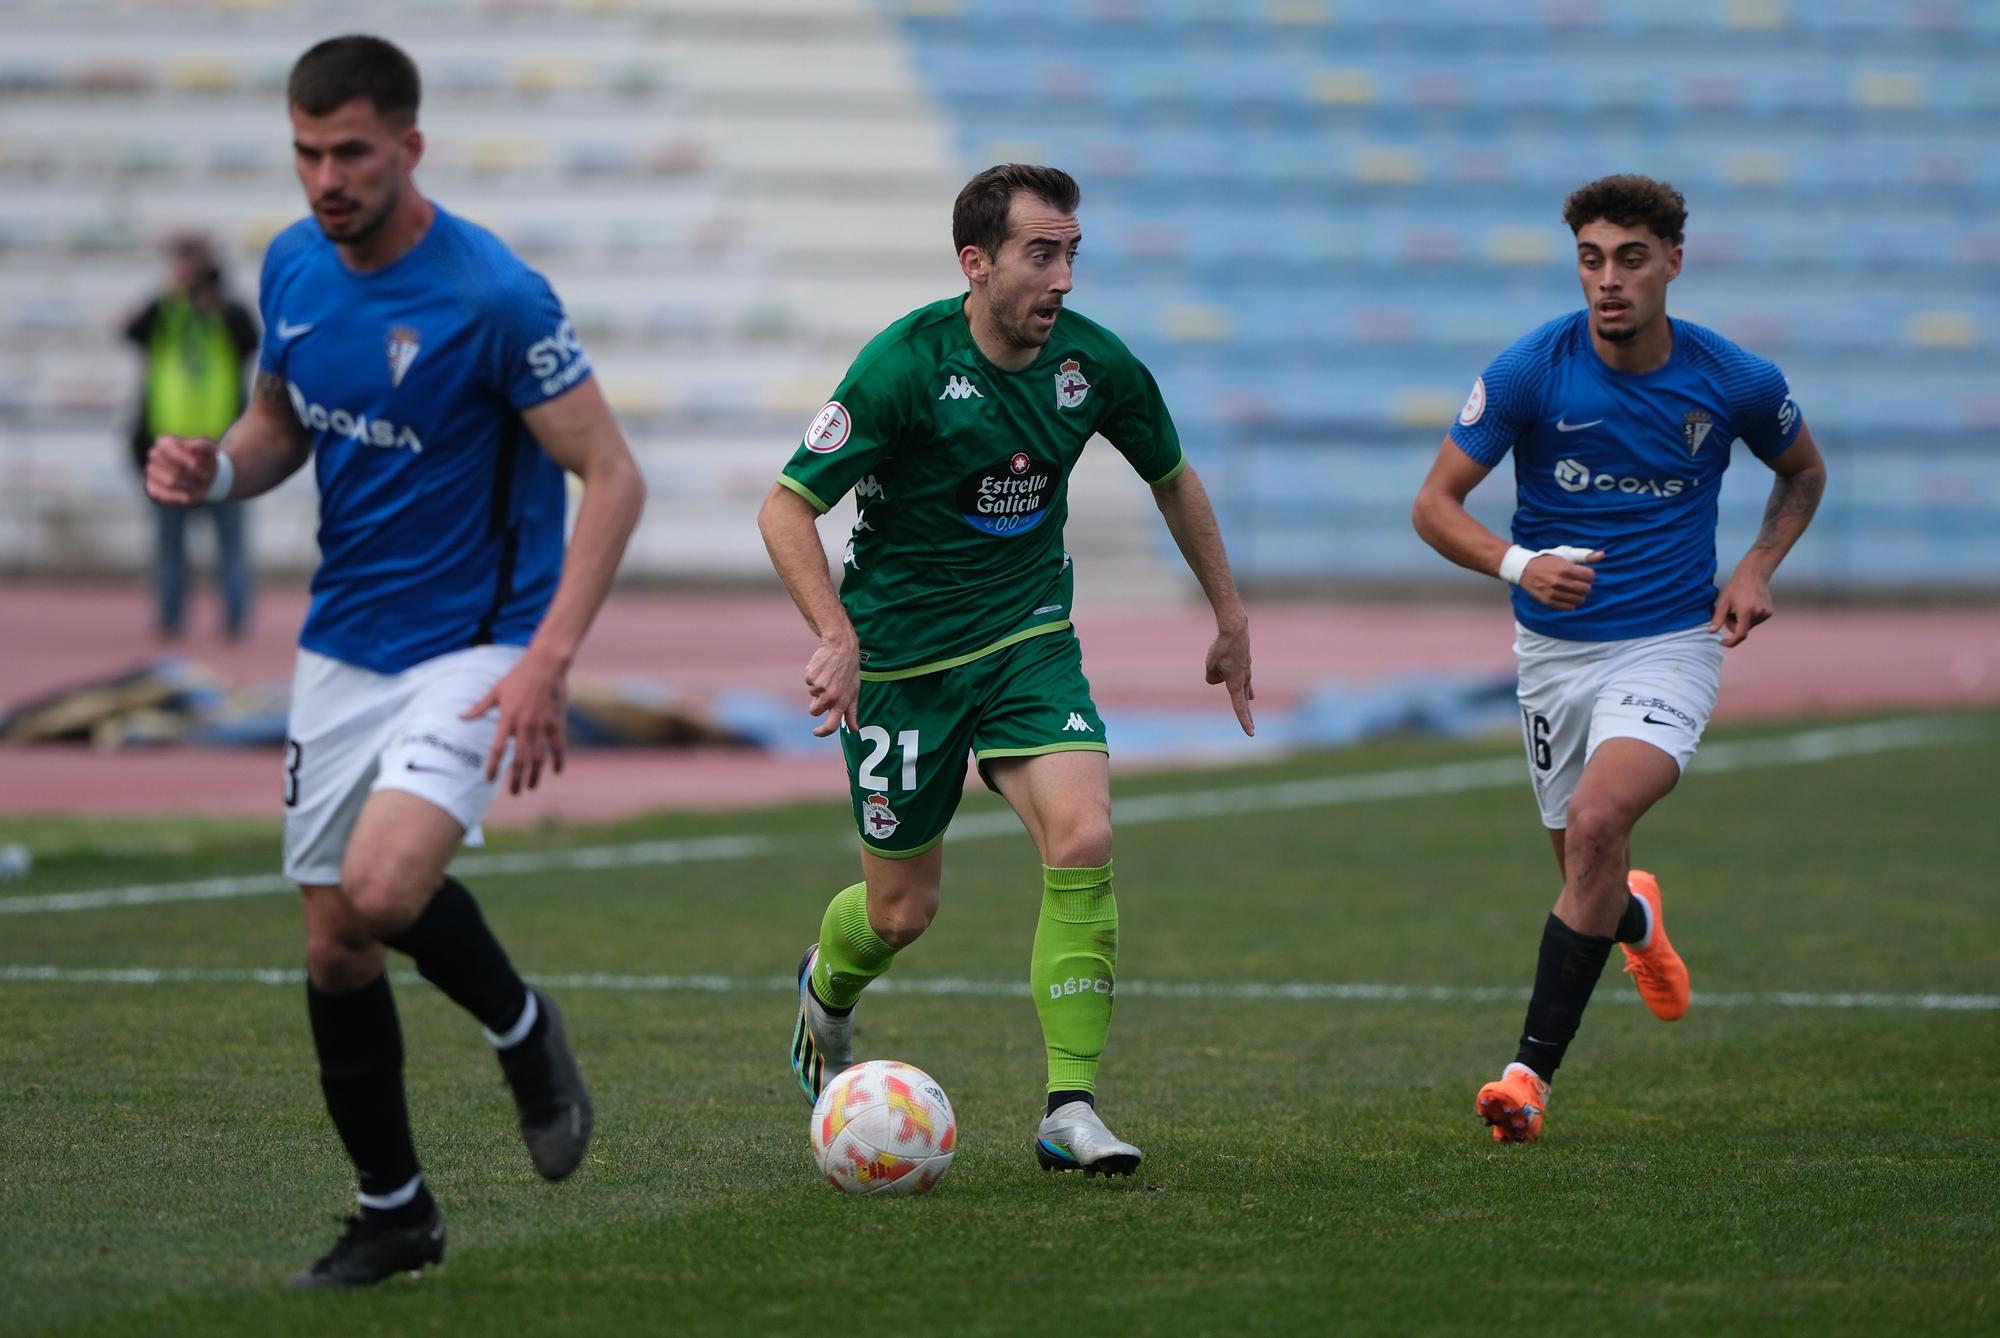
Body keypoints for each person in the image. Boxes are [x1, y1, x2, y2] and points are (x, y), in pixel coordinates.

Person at [144, 35, 646, 1284]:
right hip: (340, 645)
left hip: (476, 645)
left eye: (352, 151)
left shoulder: (493, 296)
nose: (326, 176)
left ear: (408, 146)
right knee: (334, 946)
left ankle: (523, 1031)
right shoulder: (290, 264)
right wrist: (212, 462)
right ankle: (396, 1211)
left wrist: (547, 660)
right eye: (308, 151)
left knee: (380, 887)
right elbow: (277, 426)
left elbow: (612, 475)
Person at [758, 164, 1254, 1176]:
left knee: (1083, 834)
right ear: (975, 263)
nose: (1062, 276)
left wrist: (1229, 614)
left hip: (1029, 638)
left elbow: (1172, 478)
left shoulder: (1092, 365)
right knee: (900, 913)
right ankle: (827, 982)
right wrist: (836, 636)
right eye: (1041, 253)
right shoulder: (903, 365)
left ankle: (1068, 1108)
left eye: (1071, 253)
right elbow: (785, 507)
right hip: (901, 662)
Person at [1411, 174, 1827, 1142]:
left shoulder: (1734, 381)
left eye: (1629, 260)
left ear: (1671, 264)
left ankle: (1525, 1079)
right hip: (1550, 656)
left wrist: (1756, 566)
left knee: (1598, 824)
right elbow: (1431, 505)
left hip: (1669, 642)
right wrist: (1520, 564)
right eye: (1591, 260)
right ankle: (1634, 920)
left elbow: (1801, 471)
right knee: (1584, 874)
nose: (1608, 281)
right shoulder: (1527, 371)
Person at [123, 234, 260, 640]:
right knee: (169, 543)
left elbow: (251, 341)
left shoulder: (228, 311)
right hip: (168, 446)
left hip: (224, 448)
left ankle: (235, 619)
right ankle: (170, 618)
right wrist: (170, 290)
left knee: (230, 540)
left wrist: (215, 299)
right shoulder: (165, 311)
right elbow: (132, 332)